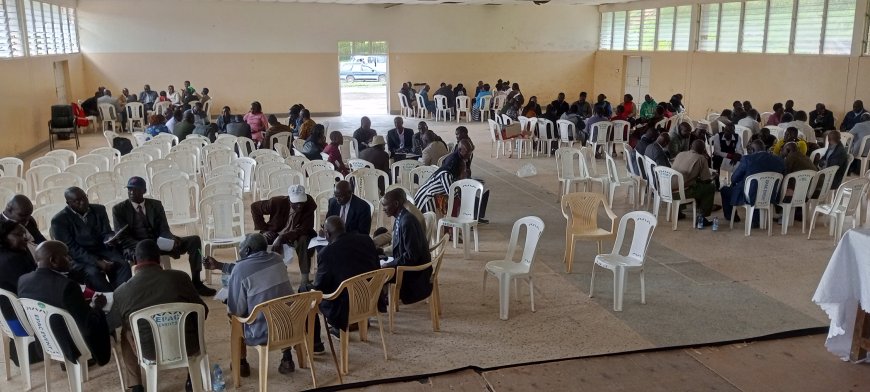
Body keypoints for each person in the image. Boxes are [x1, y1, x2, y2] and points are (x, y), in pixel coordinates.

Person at [108, 240, 207, 392]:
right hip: (188, 347)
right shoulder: (180, 278)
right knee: (193, 315)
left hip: (148, 352)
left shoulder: (122, 292)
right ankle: (191, 379)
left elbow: (111, 323)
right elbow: (204, 310)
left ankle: (136, 386)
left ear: (135, 261)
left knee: (125, 329)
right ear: (159, 259)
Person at [217, 233, 308, 376]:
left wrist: (228, 301)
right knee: (277, 305)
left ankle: (241, 364)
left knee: (233, 318)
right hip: (291, 325)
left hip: (262, 333)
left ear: (246, 251)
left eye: (240, 248)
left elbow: (237, 311)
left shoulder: (240, 270)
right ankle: (287, 357)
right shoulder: (278, 259)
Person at [111, 177, 215, 296]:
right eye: (129, 189)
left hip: (159, 243)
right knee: (143, 253)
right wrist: (145, 246)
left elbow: (164, 228)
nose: (131, 192)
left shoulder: (155, 205)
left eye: (135, 190)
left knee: (194, 240)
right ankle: (148, 292)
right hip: (137, 247)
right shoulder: (119, 210)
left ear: (144, 191)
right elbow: (123, 238)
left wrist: (170, 238)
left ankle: (196, 282)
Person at [18, 241, 112, 366]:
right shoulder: (67, 286)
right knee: (111, 317)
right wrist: (98, 306)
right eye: (66, 256)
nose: (70, 259)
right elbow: (88, 326)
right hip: (71, 346)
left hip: (47, 341)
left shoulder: (23, 280)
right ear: (53, 260)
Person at [50, 187, 131, 292]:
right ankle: (110, 299)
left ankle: (123, 294)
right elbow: (71, 248)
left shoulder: (99, 209)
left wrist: (110, 238)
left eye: (84, 197)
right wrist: (97, 262)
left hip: (101, 249)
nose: (82, 202)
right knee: (93, 273)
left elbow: (105, 232)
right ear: (68, 203)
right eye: (77, 201)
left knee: (122, 264)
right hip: (79, 257)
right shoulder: (59, 220)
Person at [315, 216, 380, 336]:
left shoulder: (326, 253)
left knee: (305, 291)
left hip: (344, 308)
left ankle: (316, 345)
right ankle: (361, 320)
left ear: (327, 234)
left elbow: (320, 287)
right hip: (370, 299)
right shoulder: (367, 240)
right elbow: (376, 267)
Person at [251, 184, 317, 285]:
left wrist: (282, 238)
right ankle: (263, 275)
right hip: (275, 231)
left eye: (301, 202)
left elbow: (304, 228)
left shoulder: (309, 204)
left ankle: (305, 279)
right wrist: (264, 230)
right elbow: (255, 207)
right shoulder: (277, 202)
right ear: (289, 200)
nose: (299, 205)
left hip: (296, 233)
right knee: (258, 242)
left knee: (304, 240)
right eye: (296, 202)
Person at [380, 189, 432, 305]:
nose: (383, 209)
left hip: (414, 273)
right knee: (376, 259)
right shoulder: (401, 217)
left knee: (375, 273)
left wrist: (390, 264)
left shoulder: (407, 222)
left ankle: (378, 304)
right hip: (407, 265)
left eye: (385, 206)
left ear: (396, 204)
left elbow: (411, 256)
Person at [719, 140, 785, 222]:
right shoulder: (778, 160)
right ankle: (756, 220)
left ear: (752, 150)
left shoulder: (747, 159)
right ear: (765, 149)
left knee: (725, 190)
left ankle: (731, 217)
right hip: (770, 194)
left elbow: (734, 178)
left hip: (750, 195)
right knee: (755, 188)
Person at [0, 221, 36, 341]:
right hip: (23, 324)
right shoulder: (12, 260)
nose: (25, 238)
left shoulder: (7, 254)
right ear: (3, 237)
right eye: (18, 235)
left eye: (24, 234)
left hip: (8, 319)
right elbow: (34, 291)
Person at [672, 140, 716, 225]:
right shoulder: (701, 158)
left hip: (668, 190)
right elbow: (705, 180)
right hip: (680, 193)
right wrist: (714, 177)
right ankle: (701, 218)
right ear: (703, 150)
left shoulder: (680, 154)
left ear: (691, 146)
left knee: (693, 184)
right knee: (710, 187)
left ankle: (678, 212)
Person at [414, 150, 466, 215]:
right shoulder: (445, 175)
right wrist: (462, 178)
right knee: (430, 222)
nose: (465, 171)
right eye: (463, 169)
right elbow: (452, 194)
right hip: (425, 199)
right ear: (457, 167)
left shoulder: (448, 174)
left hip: (427, 197)